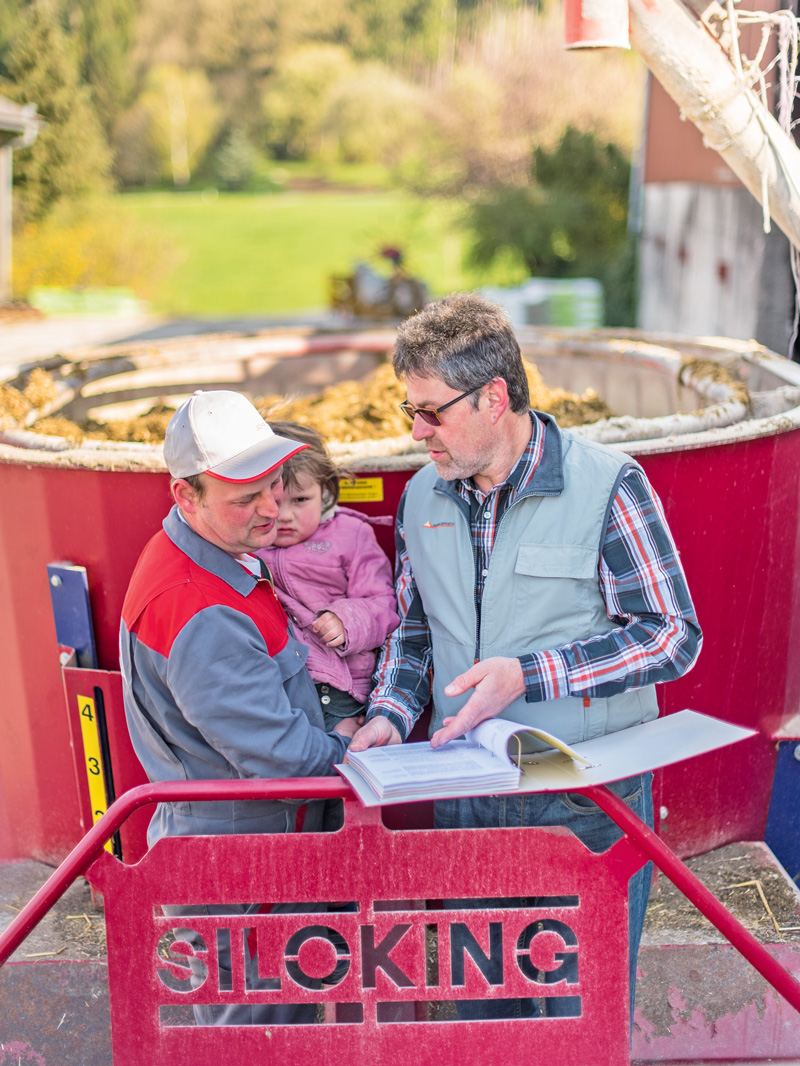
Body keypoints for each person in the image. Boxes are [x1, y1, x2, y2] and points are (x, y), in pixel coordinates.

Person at [349, 292, 702, 1021]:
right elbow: (415, 631)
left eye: (431, 411)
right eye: (407, 409)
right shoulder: (422, 497)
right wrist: (388, 712)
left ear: (494, 398)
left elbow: (671, 633)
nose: (418, 432)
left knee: (583, 1022)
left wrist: (531, 673)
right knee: (483, 1021)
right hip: (466, 801)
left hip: (584, 803)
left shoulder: (608, 484)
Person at [119, 389, 359, 1026]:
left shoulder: (203, 559)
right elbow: (276, 758)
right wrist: (352, 753)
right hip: (241, 866)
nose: (271, 508)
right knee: (255, 1039)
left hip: (238, 853)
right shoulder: (201, 608)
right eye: (244, 498)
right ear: (185, 496)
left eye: (274, 484)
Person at [256, 421, 399, 735]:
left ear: (324, 491)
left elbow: (384, 604)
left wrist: (346, 620)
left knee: (342, 758)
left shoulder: (351, 535)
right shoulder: (249, 542)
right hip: (277, 686)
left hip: (336, 688)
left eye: (301, 500)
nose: (285, 515)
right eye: (275, 502)